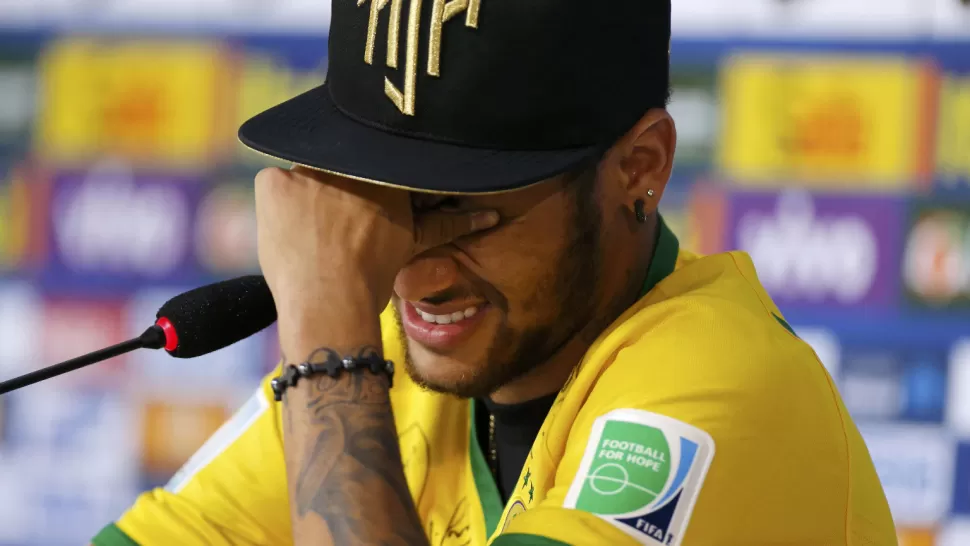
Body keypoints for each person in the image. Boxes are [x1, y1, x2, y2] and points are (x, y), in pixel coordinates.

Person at [90, 0, 898, 545]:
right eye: (375, 209)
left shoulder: (725, 379)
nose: (413, 274)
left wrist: (324, 343)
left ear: (638, 168)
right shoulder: (378, 367)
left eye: (462, 207)